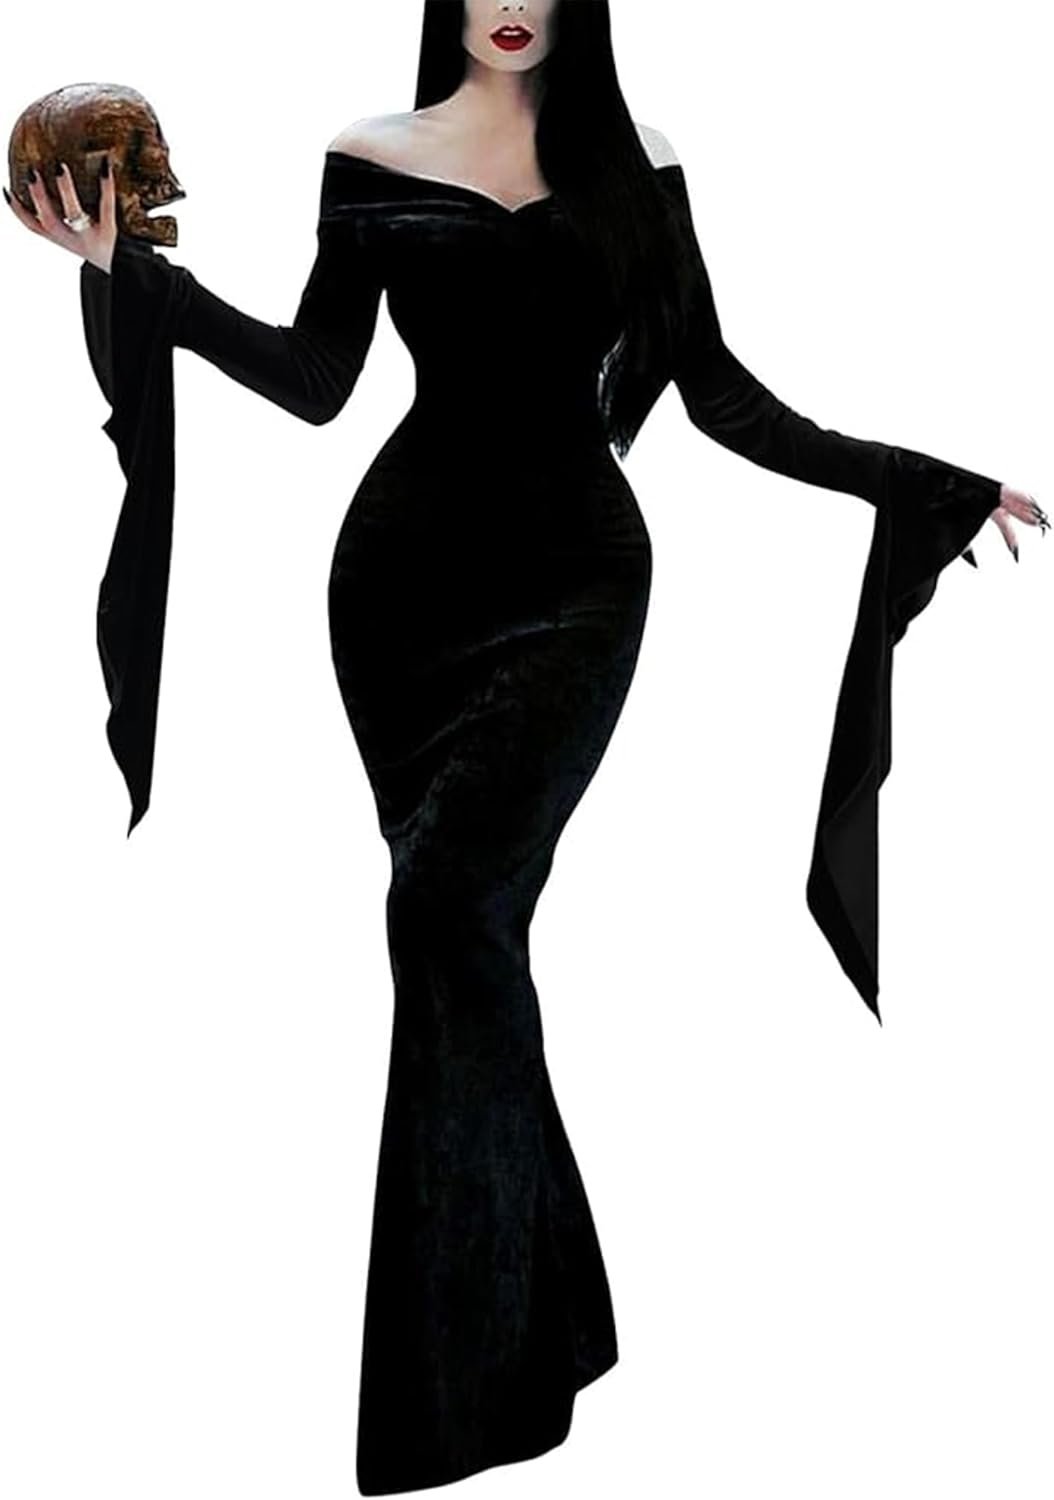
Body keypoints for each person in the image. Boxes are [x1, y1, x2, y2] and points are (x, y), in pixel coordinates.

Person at [6, 0, 1045, 1492]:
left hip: (575, 588)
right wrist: (132, 276)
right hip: (398, 592)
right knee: (462, 939)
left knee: (445, 910)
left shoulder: (642, 162)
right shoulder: (369, 152)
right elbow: (313, 381)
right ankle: (542, 1318)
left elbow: (719, 392)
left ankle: (475, 1381)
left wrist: (923, 481)